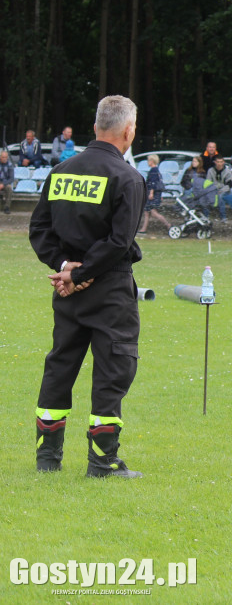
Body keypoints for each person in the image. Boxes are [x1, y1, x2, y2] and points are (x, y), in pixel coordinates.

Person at [28, 95, 145, 478]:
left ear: (95, 127)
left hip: (67, 291)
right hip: (109, 289)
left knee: (60, 366)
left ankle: (48, 458)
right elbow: (118, 243)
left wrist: (65, 269)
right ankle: (103, 462)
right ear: (128, 131)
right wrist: (79, 274)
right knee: (114, 370)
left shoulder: (61, 171)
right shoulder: (127, 178)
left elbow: (39, 229)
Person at [139, 154, 172, 236]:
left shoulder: (153, 170)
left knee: (153, 213)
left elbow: (153, 183)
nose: (147, 162)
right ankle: (144, 229)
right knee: (147, 212)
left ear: (152, 161)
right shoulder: (156, 170)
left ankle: (168, 225)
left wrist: (151, 193)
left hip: (152, 194)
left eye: (148, 160)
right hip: (155, 194)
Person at [206, 155, 232, 220]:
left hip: (225, 190)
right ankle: (205, 217)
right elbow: (208, 183)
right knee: (205, 197)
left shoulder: (228, 171)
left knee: (220, 197)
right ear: (215, 162)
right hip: (213, 190)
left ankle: (223, 217)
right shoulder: (210, 171)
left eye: (221, 162)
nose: (219, 164)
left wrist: (220, 191)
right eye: (218, 162)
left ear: (223, 162)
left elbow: (229, 185)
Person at [0, 150, 13, 214]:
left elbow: (11, 178)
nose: (4, 159)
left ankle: (7, 207)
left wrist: (3, 184)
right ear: (0, 157)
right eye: (3, 157)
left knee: (9, 188)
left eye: (5, 157)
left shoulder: (10, 165)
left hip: (6, 183)